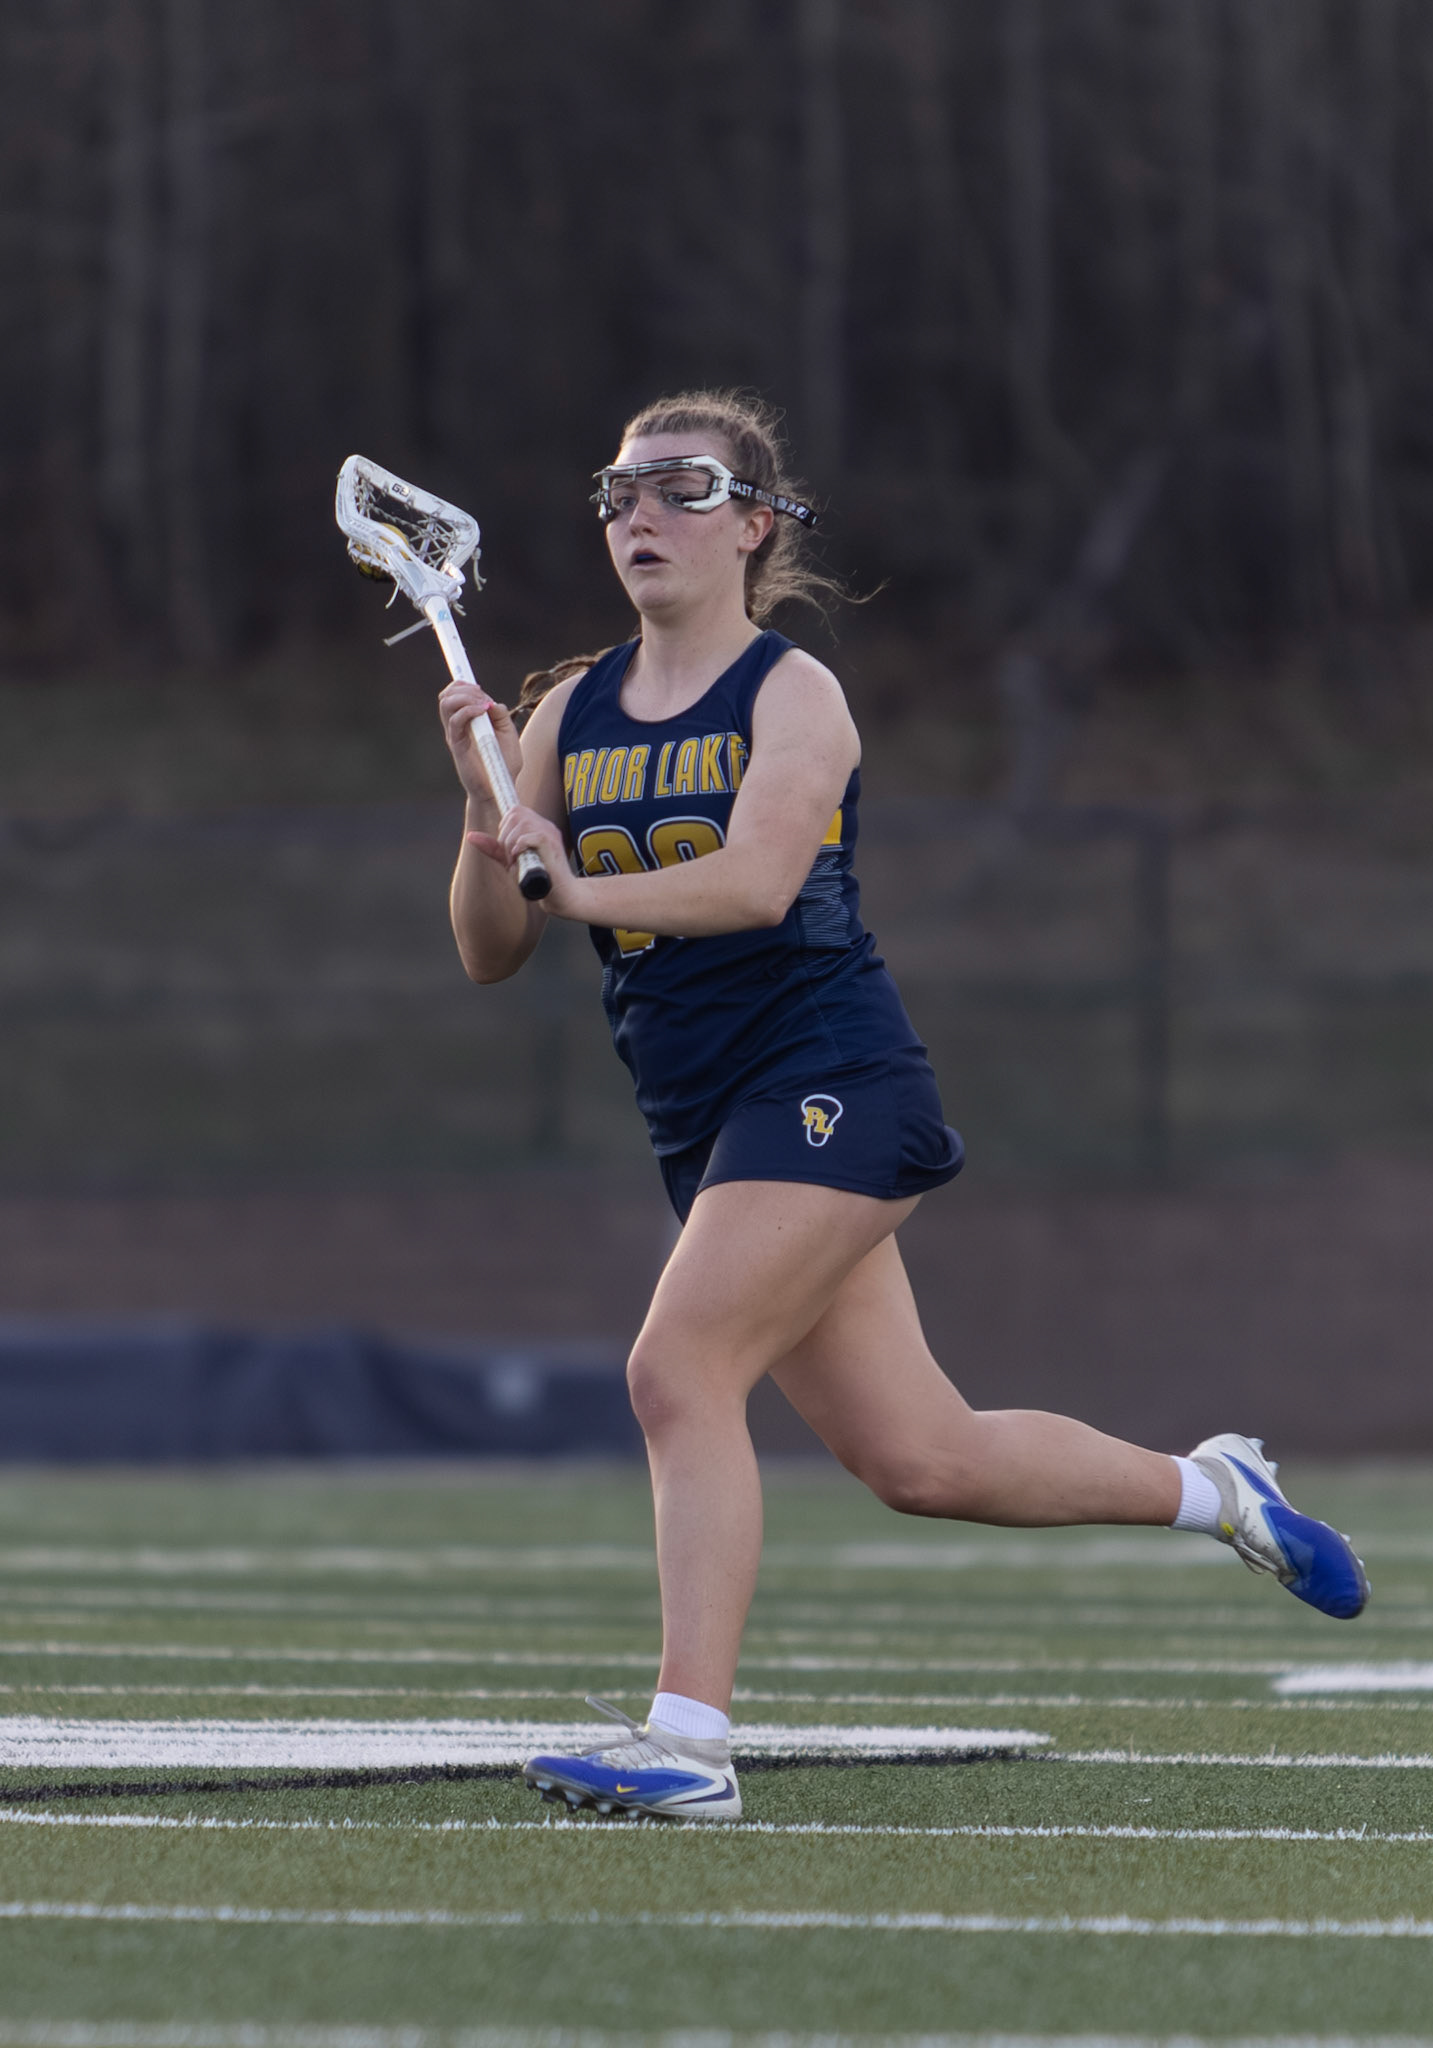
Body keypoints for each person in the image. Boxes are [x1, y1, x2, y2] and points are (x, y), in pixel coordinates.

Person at [437, 389, 1369, 1824]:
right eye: (620, 492)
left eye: (682, 489)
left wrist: (573, 886)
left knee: (675, 1370)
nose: (641, 514)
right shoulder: (568, 713)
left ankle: (688, 1742)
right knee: (924, 1460)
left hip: (829, 1082)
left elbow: (755, 885)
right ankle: (1218, 1490)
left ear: (755, 526)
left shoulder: (793, 694)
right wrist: (480, 811)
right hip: (706, 1124)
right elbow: (489, 951)